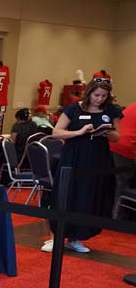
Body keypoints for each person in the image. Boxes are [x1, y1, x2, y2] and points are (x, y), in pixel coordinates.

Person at [41, 78, 122, 253]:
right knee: (66, 194)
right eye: (96, 95)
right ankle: (55, 237)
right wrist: (79, 131)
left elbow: (117, 137)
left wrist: (107, 132)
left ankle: (76, 237)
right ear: (89, 92)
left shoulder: (111, 110)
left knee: (86, 196)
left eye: (103, 96)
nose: (99, 99)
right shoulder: (74, 108)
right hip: (73, 155)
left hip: (97, 157)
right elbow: (56, 132)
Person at [111, 101, 136, 218]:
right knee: (121, 183)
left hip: (115, 143)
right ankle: (117, 216)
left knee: (118, 181)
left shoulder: (133, 105)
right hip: (126, 147)